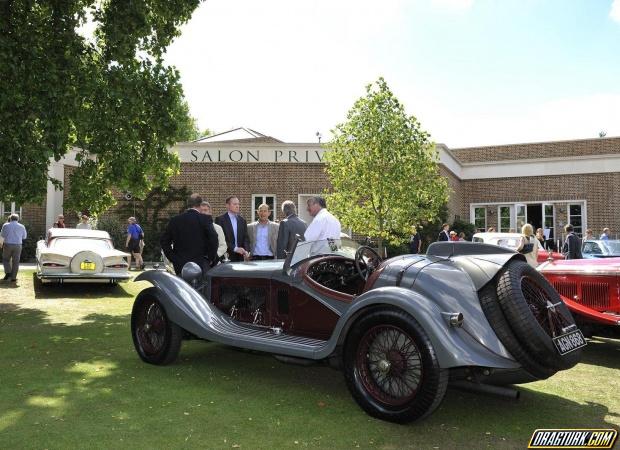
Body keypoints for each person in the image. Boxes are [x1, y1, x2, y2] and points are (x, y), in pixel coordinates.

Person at [161, 194, 218, 275]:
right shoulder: (205, 219)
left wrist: (173, 258)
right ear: (200, 205)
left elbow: (164, 241)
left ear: (188, 204)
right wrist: (211, 258)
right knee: (201, 287)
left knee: (181, 287)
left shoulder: (175, 220)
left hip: (180, 264)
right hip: (201, 263)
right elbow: (214, 239)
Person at [215, 196, 250, 262]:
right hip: (226, 256)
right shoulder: (220, 220)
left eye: (238, 204)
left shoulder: (242, 220)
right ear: (227, 206)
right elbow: (220, 240)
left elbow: (246, 238)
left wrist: (246, 250)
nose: (237, 206)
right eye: (235, 204)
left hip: (240, 257)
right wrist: (235, 248)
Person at [1, 214, 27, 282]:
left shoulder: (6, 225)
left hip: (8, 244)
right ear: (17, 219)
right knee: (16, 261)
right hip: (18, 245)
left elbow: (2, 235)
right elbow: (24, 237)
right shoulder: (22, 226)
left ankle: (8, 272)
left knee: (5, 259)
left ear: (11, 219)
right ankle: (13, 277)